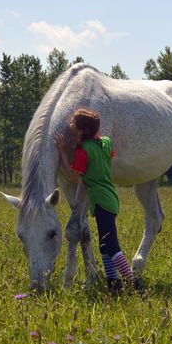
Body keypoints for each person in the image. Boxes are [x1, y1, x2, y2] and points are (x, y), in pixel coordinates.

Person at [55, 108, 143, 295]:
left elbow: (72, 177)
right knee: (104, 245)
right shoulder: (105, 142)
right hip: (110, 198)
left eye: (73, 122)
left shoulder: (82, 151)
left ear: (80, 130)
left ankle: (133, 284)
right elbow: (108, 156)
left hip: (101, 202)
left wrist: (62, 152)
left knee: (112, 246)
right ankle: (113, 283)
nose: (70, 123)